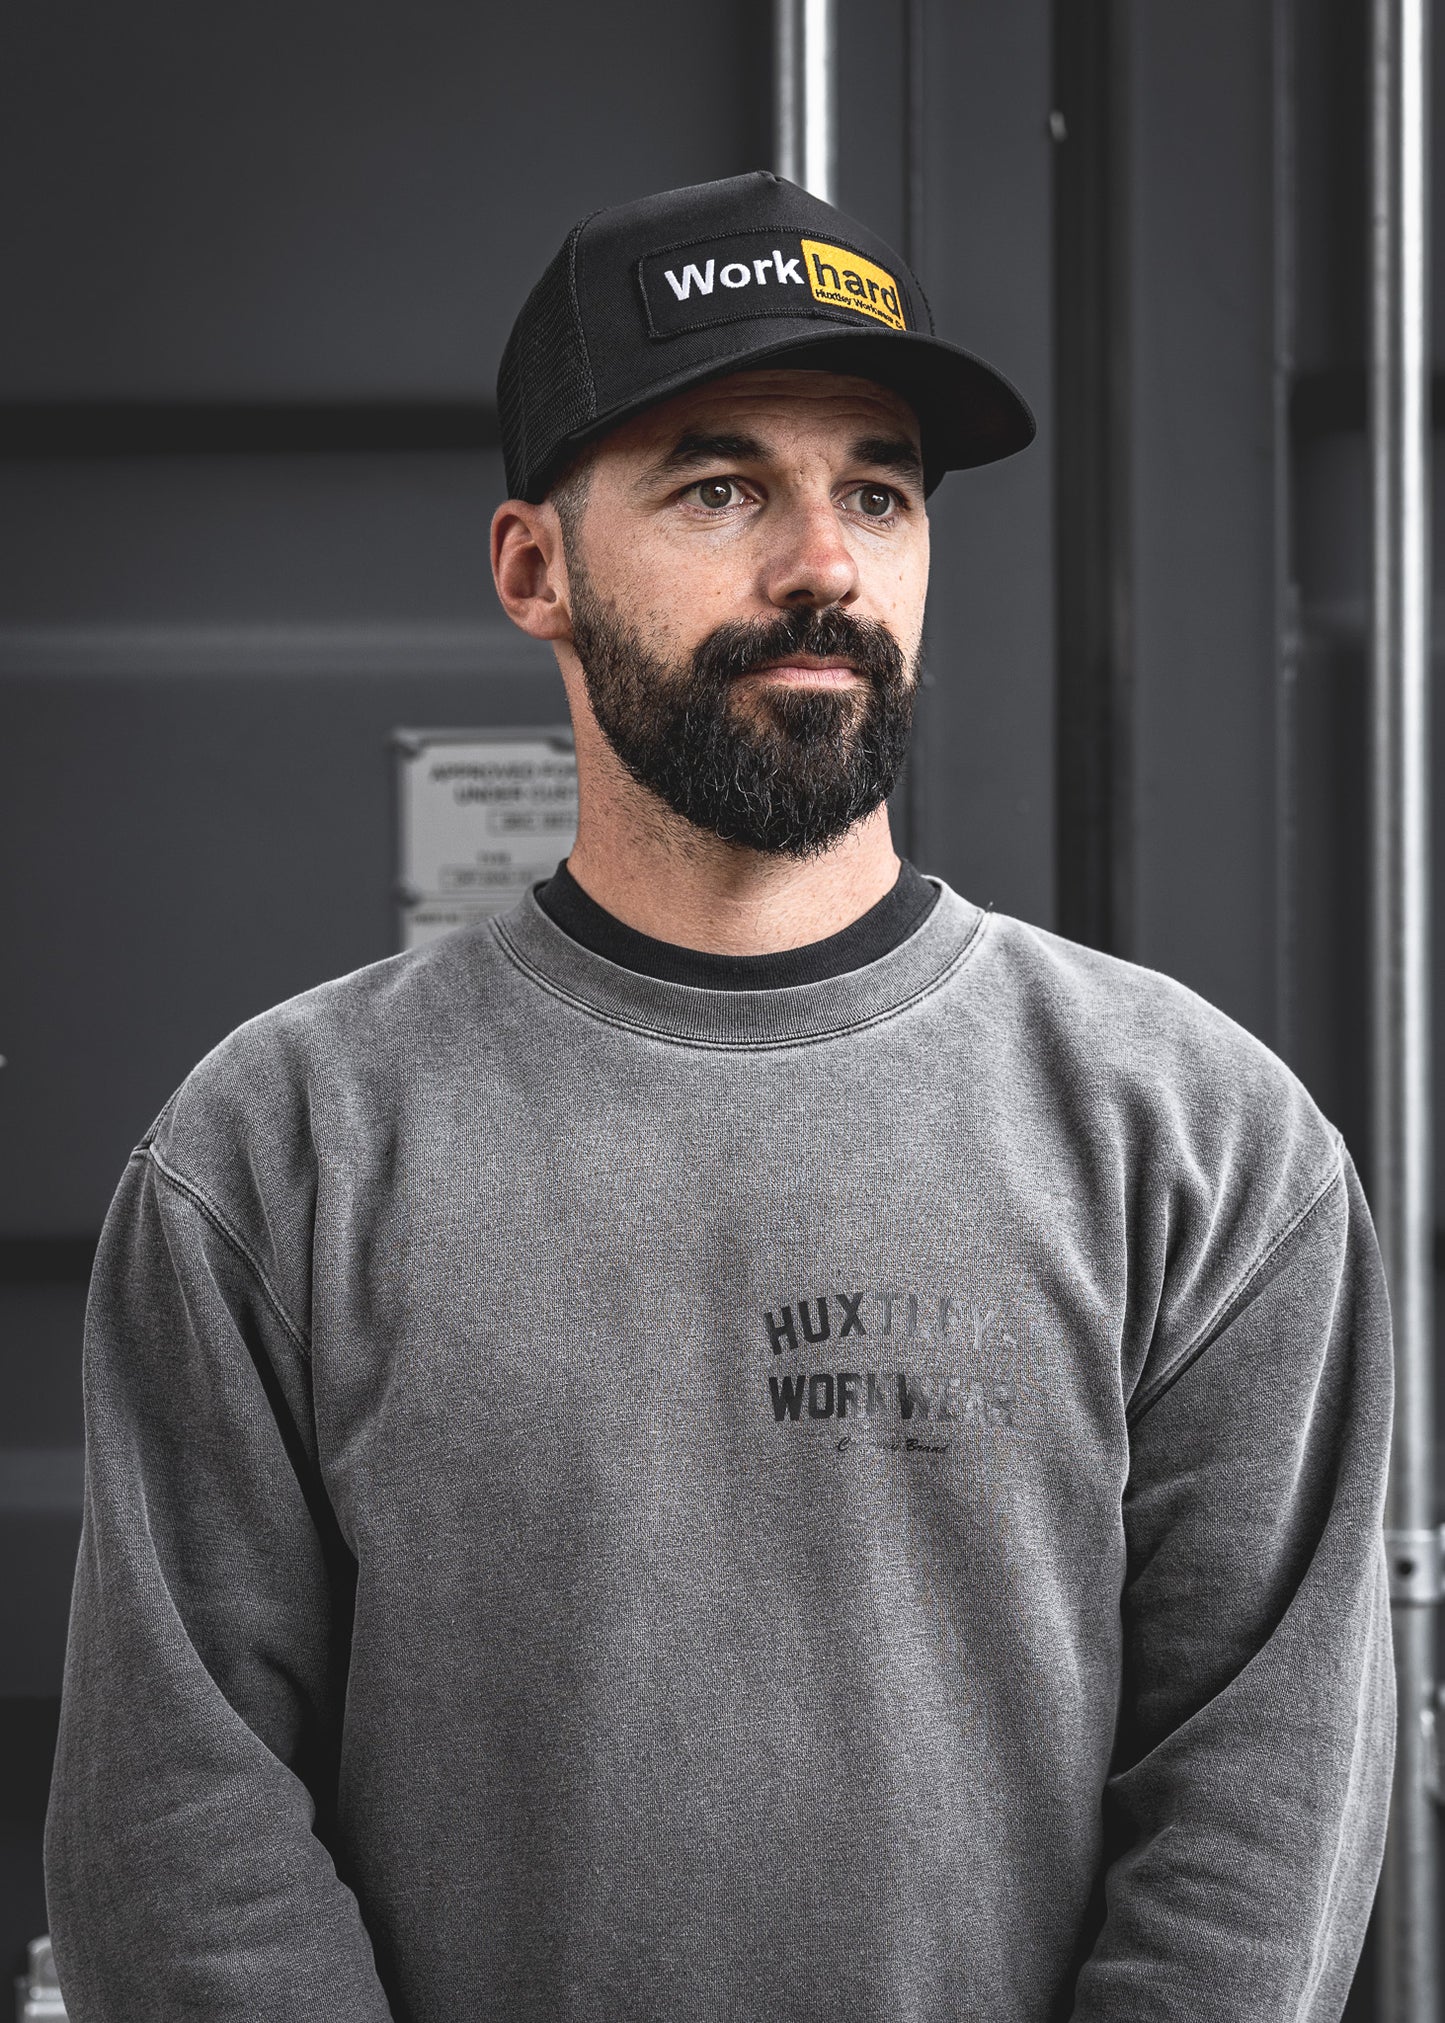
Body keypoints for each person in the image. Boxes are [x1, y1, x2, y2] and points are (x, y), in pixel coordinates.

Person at [45, 171, 1393, 2022]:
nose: (824, 564)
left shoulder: (1200, 1141)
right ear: (534, 568)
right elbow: (180, 1827)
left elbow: (1256, 1825)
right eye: (720, 488)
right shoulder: (278, 1150)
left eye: (878, 493)